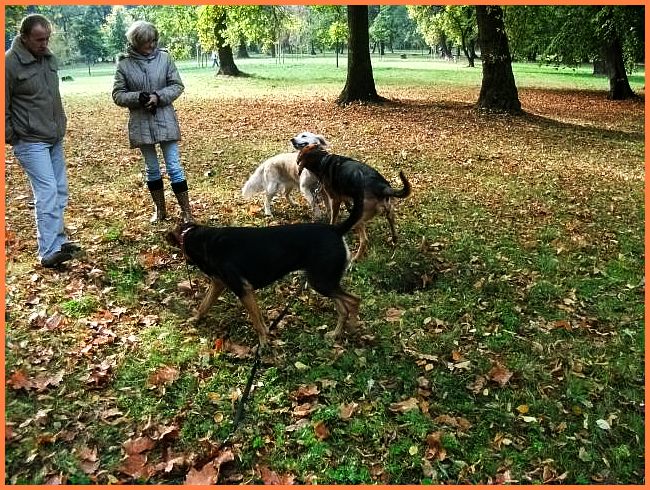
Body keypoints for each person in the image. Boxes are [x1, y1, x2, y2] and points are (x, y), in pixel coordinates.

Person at [5, 14, 82, 268]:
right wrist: (12, 135)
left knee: (59, 191)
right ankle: (48, 251)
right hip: (29, 141)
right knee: (47, 192)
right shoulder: (8, 64)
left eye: (47, 38)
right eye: (39, 39)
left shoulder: (49, 57)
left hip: (53, 136)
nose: (44, 43)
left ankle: (59, 242)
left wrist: (60, 124)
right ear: (24, 37)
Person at [112, 20, 192, 223]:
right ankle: (160, 210)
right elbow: (118, 95)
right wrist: (137, 97)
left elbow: (177, 85)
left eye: (154, 40)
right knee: (152, 169)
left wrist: (158, 96)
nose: (152, 45)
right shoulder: (124, 64)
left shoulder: (165, 59)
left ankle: (186, 211)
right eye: (147, 41)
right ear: (136, 42)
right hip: (141, 123)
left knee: (174, 166)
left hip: (165, 119)